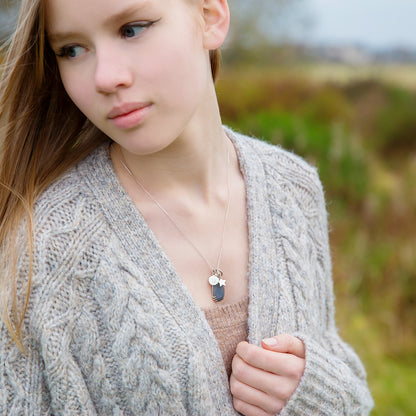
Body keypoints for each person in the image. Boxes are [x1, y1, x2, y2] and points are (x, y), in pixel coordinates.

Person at [0, 0, 373, 414]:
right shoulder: (48, 243)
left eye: (132, 29)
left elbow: (343, 375)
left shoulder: (293, 189)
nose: (105, 77)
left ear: (210, 16)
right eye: (71, 49)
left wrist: (316, 395)